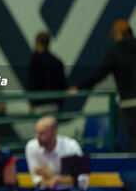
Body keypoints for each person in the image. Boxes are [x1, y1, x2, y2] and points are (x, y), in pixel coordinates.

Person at [69, 19, 136, 152]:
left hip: (128, 105)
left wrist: (79, 87)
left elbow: (98, 74)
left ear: (118, 34)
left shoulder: (115, 52)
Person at [25, 115, 88, 191]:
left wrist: (55, 178)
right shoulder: (31, 147)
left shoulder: (71, 146)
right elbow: (36, 178)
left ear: (54, 132)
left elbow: (83, 181)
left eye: (42, 133)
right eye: (36, 133)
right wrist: (48, 182)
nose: (37, 137)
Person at [28, 32, 66, 114]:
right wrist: (59, 103)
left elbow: (31, 83)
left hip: (39, 104)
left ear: (37, 43)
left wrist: (31, 102)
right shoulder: (57, 62)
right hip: (53, 104)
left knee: (40, 127)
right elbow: (62, 85)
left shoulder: (35, 61)